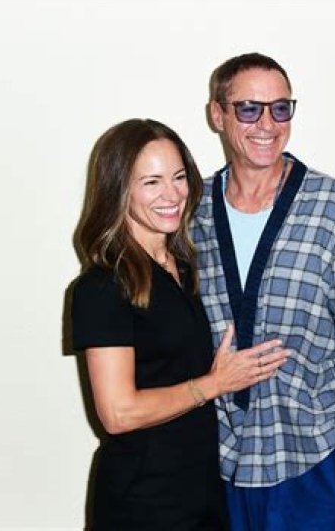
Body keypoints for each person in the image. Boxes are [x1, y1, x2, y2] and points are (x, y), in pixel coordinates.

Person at [191, 53, 335, 530]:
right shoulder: (191, 213)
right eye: (248, 108)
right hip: (219, 467)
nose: (267, 124)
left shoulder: (334, 208)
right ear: (217, 114)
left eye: (280, 108)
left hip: (318, 465)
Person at [70, 118, 289, 530]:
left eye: (178, 177)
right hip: (144, 505)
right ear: (119, 190)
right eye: (151, 182)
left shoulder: (185, 267)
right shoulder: (102, 287)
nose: (172, 194)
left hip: (202, 494)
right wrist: (213, 385)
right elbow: (118, 412)